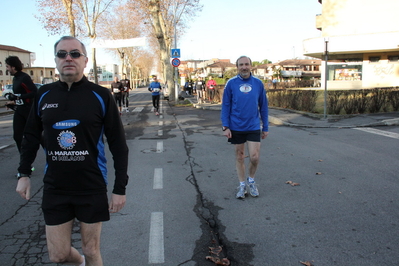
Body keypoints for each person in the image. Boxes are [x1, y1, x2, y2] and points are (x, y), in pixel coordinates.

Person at [16, 36, 129, 266]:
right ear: (56, 61)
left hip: (91, 185)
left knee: (91, 249)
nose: (68, 58)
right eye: (62, 54)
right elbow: (30, 136)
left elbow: (118, 143)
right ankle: (78, 263)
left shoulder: (101, 95)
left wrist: (119, 189)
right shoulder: (44, 95)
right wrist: (24, 173)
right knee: (58, 255)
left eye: (75, 54)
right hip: (56, 187)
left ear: (85, 60)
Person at [220, 56, 269, 199]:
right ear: (237, 67)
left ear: (251, 66)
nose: (244, 67)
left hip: (253, 125)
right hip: (236, 126)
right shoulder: (231, 83)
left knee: (254, 157)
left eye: (246, 64)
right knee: (239, 156)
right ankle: (242, 185)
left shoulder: (258, 84)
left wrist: (265, 126)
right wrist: (225, 126)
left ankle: (251, 180)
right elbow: (226, 106)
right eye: (241, 65)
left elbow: (263, 106)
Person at [5, 56, 38, 153]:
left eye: (7, 66)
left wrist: (18, 97)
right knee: (17, 137)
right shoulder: (15, 79)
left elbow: (34, 92)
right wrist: (12, 102)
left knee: (37, 136)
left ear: (13, 67)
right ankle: (25, 162)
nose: (6, 69)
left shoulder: (24, 77)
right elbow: (19, 96)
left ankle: (51, 157)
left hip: (28, 111)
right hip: (19, 110)